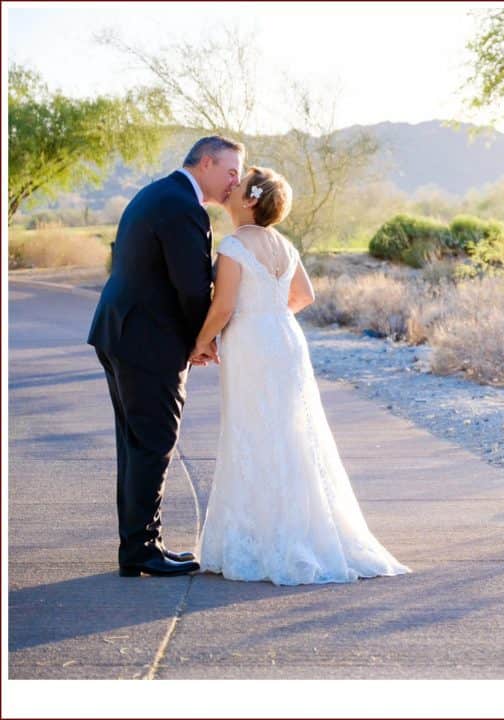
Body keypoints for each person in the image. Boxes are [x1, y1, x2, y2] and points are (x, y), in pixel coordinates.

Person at [193, 166, 410, 585]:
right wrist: (271, 317)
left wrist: (202, 341)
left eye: (239, 186)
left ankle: (259, 537)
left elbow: (222, 308)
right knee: (292, 434)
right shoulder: (284, 245)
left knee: (251, 430)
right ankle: (304, 531)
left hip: (251, 343)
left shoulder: (235, 245)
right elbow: (303, 296)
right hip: (285, 339)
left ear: (250, 200)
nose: (232, 188)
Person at [87, 136, 244, 577]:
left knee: (137, 443)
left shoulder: (160, 192)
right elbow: (192, 287)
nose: (235, 181)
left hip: (122, 333)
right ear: (208, 162)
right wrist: (203, 341)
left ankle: (140, 545)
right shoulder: (181, 206)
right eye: (231, 170)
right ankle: (141, 549)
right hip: (147, 341)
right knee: (153, 443)